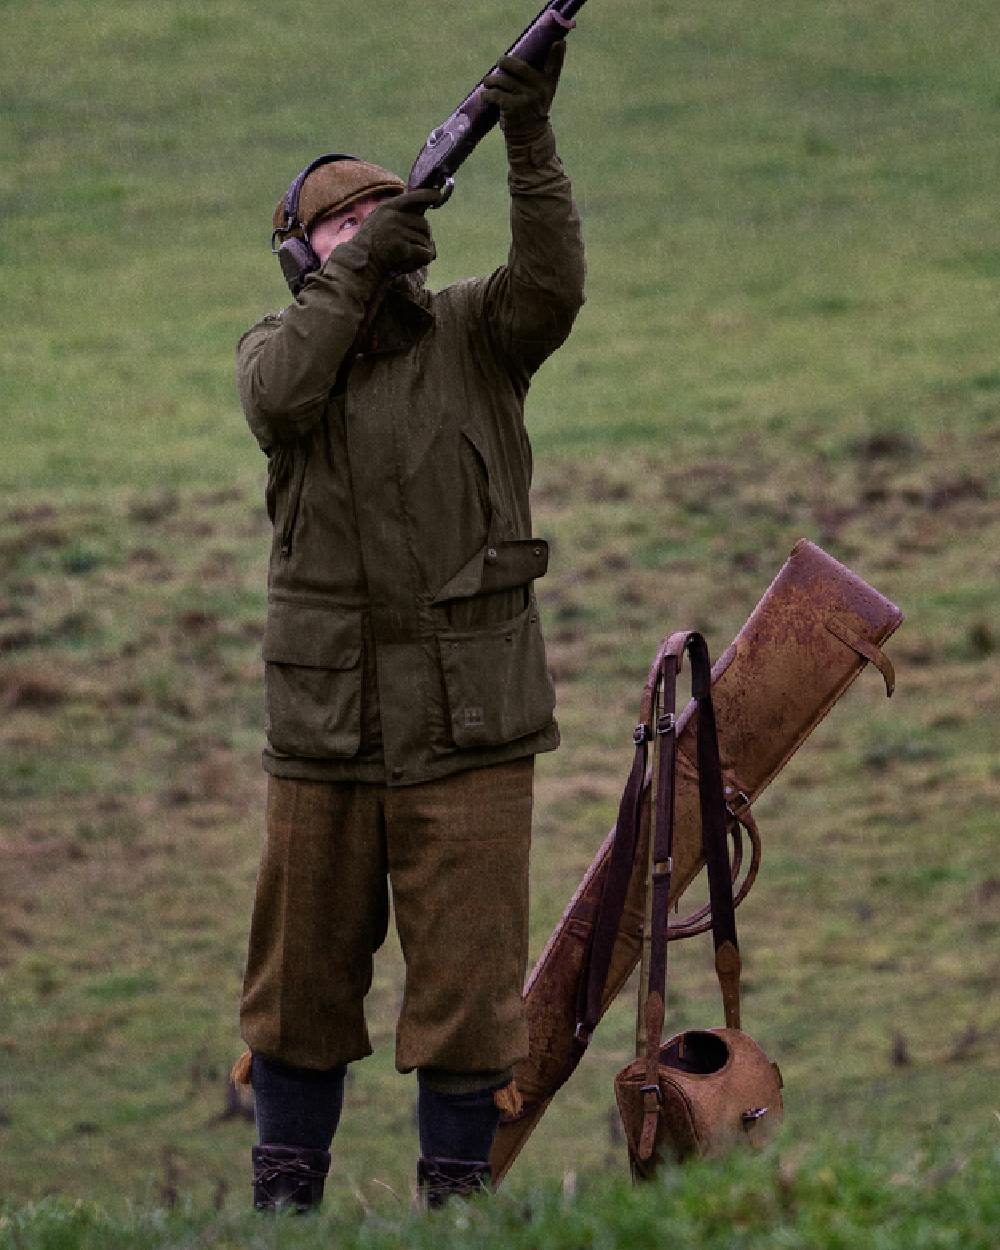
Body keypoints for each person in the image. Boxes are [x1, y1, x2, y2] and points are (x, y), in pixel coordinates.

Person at [232, 41, 585, 1213]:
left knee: (471, 997)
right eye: (346, 225)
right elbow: (281, 394)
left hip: (468, 730)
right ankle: (285, 1214)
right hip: (326, 731)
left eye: (391, 209)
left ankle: (455, 1219)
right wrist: (357, 271)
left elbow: (555, 284)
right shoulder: (279, 357)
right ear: (303, 257)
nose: (377, 229)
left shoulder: (477, 336)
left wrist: (525, 132)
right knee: (298, 994)